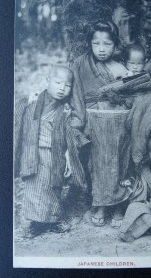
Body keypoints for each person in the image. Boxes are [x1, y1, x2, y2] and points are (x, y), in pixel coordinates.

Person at [70, 21, 151, 228]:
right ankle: (100, 205)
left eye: (107, 44)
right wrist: (79, 119)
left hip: (120, 125)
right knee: (98, 164)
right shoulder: (80, 64)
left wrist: (126, 100)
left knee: (120, 163)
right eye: (96, 43)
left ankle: (119, 205)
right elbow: (76, 94)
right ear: (89, 44)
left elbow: (139, 95)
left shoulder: (121, 68)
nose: (101, 48)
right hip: (93, 123)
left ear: (115, 46)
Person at [14, 65, 89, 238]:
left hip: (56, 153)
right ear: (47, 81)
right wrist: (27, 103)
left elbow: (71, 137)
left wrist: (69, 157)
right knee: (35, 187)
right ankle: (32, 224)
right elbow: (19, 123)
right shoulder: (34, 101)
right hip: (34, 152)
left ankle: (53, 220)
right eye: (57, 82)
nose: (62, 88)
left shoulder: (66, 109)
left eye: (67, 85)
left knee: (54, 186)